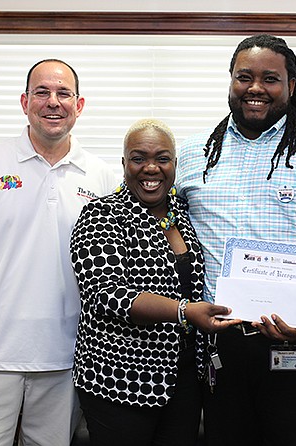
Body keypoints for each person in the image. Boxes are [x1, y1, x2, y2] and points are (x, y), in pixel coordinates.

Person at [176, 34, 296, 446]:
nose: (255, 89)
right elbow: (171, 229)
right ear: (230, 80)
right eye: (244, 77)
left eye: (271, 78)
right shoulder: (194, 153)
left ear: (291, 85)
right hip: (222, 343)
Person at [0, 59, 118, 446]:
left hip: (66, 363)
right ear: (25, 101)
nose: (53, 102)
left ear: (79, 105)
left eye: (64, 93)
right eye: (42, 92)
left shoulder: (103, 178)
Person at [70, 118, 239, 446]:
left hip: (185, 379)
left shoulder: (184, 215)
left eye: (162, 159)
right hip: (119, 381)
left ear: (174, 165)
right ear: (123, 164)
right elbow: (108, 294)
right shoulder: (101, 216)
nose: (151, 168)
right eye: (139, 158)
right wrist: (186, 312)